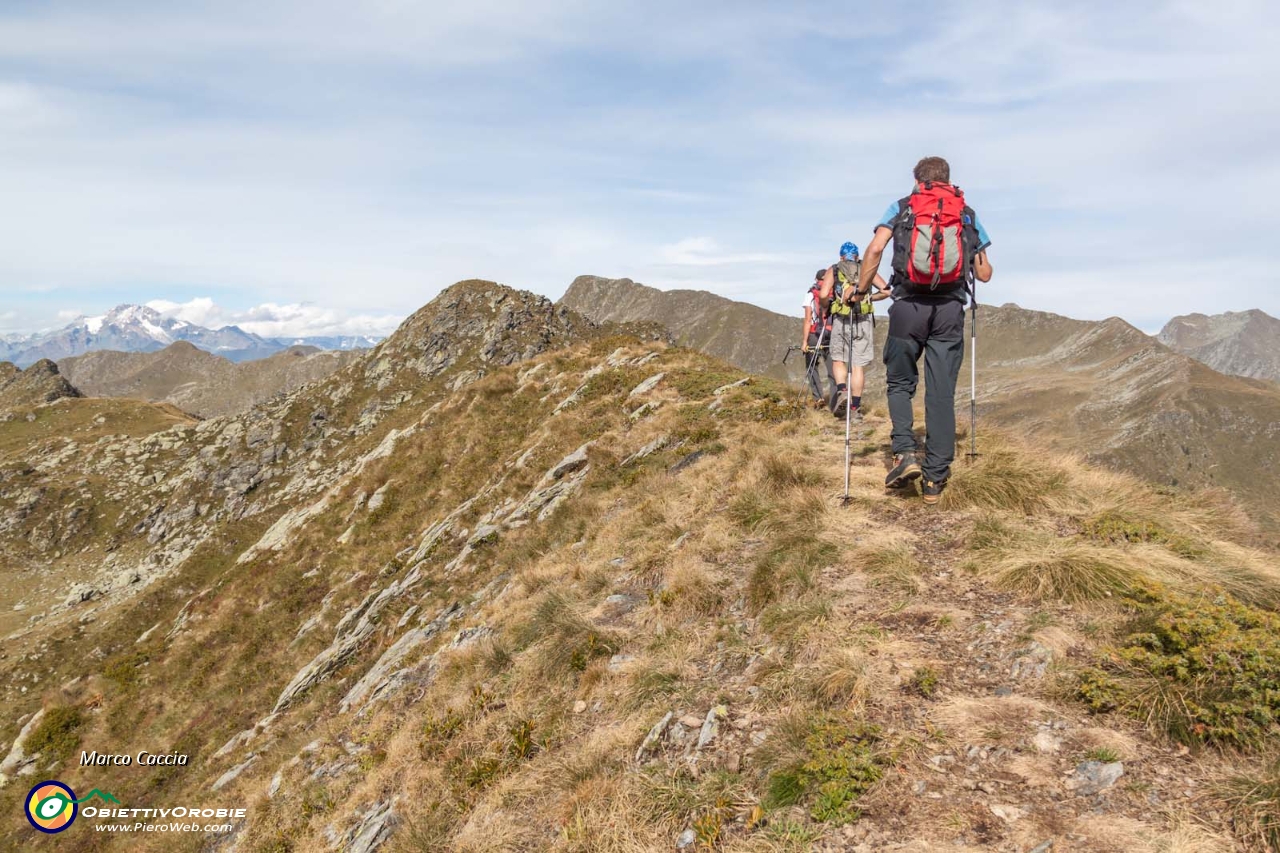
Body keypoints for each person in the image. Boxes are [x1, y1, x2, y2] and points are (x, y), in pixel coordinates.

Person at [853, 156, 993, 504]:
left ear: (918, 180)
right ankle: (935, 480)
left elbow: (874, 250)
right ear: (947, 178)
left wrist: (860, 291)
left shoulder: (902, 208)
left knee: (900, 383)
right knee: (941, 391)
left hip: (907, 309)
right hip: (949, 310)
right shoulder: (967, 213)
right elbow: (986, 273)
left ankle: (904, 453)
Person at [819, 242, 889, 420]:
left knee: (838, 359)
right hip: (863, 321)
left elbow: (823, 294)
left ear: (841, 256)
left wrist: (827, 308)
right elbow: (887, 291)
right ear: (857, 256)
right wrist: (869, 298)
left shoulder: (834, 269)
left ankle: (842, 391)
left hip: (842, 320)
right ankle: (855, 408)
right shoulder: (866, 268)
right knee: (858, 366)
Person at [801, 269, 835, 408]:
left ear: (816, 279)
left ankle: (818, 398)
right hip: (832, 333)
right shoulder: (835, 292)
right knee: (833, 369)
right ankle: (835, 402)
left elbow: (808, 319)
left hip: (815, 334)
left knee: (811, 366)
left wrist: (804, 341)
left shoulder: (811, 294)